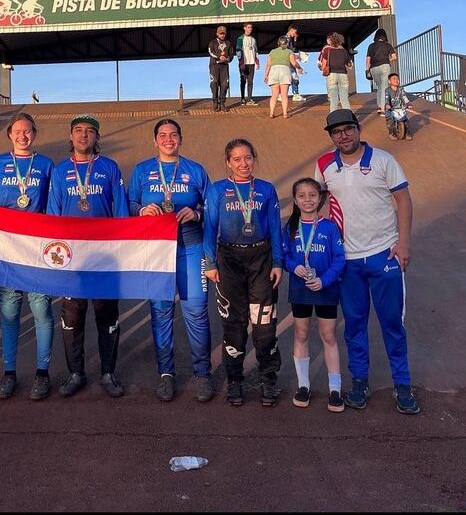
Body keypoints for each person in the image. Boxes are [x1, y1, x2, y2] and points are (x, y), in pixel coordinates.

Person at [315, 109, 419, 414]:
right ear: (331, 137)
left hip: (383, 255)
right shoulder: (324, 165)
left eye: (348, 129)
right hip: (346, 261)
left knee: (392, 325)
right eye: (337, 132)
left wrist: (404, 243)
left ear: (358, 130)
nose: (343, 136)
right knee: (355, 325)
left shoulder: (383, 160)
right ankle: (359, 381)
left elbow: (404, 201)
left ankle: (402, 385)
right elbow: (317, 202)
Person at [128, 119, 213, 403]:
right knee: (161, 310)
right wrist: (141, 210)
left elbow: (210, 206)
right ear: (155, 141)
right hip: (156, 252)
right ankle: (166, 374)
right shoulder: (141, 170)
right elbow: (128, 204)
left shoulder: (195, 170)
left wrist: (196, 213)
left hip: (191, 247)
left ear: (180, 139)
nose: (168, 139)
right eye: (162, 135)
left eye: (173, 135)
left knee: (196, 310)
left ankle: (203, 373)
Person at [47, 114, 128, 398]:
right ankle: (76, 372)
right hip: (72, 258)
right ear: (71, 137)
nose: (83, 136)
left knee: (107, 315)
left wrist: (121, 250)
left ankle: (108, 372)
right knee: (73, 317)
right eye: (78, 131)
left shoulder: (109, 168)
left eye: (89, 131)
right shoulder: (59, 172)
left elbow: (121, 212)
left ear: (96, 138)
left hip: (105, 256)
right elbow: (53, 217)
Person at [203, 139, 283, 407]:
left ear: (254, 159)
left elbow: (275, 228)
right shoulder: (217, 190)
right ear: (228, 162)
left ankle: (268, 380)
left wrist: (278, 262)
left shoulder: (266, 190)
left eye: (248, 158)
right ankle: (235, 380)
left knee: (264, 325)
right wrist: (211, 263)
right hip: (229, 260)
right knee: (233, 324)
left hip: (261, 258)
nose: (243, 164)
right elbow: (209, 229)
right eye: (236, 159)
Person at [0, 112, 55, 400]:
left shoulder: (46, 164)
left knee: (40, 308)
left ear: (34, 134)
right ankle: (9, 372)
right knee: (10, 309)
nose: (22, 135)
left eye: (27, 131)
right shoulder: (0, 163)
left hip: (37, 247)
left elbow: (52, 208)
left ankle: (42, 373)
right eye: (17, 131)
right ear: (10, 135)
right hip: (8, 247)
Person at [282, 178, 346, 412]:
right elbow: (284, 255)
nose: (307, 200)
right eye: (302, 195)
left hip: (325, 289)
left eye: (312, 195)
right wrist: (293, 267)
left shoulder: (329, 227)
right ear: (295, 200)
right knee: (301, 333)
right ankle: (303, 386)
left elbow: (340, 259)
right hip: (300, 290)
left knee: (328, 335)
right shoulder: (290, 228)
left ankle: (335, 388)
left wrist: (324, 280)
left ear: (320, 199)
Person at [264, 36, 303, 119]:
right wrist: (300, 68)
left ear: (278, 43)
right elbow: (294, 63)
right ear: (287, 43)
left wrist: (266, 75)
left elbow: (268, 65)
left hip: (273, 71)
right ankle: (285, 114)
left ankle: (271, 113)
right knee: (284, 95)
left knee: (274, 95)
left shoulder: (272, 52)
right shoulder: (289, 51)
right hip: (284, 71)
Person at [319, 32, 354, 113]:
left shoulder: (327, 50)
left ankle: (334, 119)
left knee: (333, 99)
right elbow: (350, 66)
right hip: (343, 75)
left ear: (330, 41)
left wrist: (322, 68)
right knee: (344, 99)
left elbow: (323, 66)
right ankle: (349, 118)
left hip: (331, 75)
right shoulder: (344, 51)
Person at [366, 29, 398, 115]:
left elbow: (368, 59)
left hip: (374, 68)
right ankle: (383, 108)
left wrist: (367, 70)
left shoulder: (371, 46)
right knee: (384, 87)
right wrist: (388, 60)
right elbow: (394, 57)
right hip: (385, 66)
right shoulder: (388, 46)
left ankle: (379, 106)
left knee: (380, 87)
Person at [208, 25, 236, 112]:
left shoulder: (228, 43)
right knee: (214, 83)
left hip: (224, 66)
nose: (222, 35)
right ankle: (215, 101)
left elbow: (232, 54)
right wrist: (219, 57)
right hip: (214, 66)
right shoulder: (212, 43)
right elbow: (210, 52)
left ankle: (222, 103)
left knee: (225, 85)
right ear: (217, 34)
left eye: (223, 33)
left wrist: (227, 59)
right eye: (220, 33)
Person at [235, 23, 260, 106]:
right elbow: (238, 50)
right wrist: (241, 62)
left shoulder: (253, 39)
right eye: (248, 27)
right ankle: (242, 98)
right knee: (243, 81)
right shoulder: (240, 39)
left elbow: (255, 51)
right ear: (244, 28)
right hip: (244, 63)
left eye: (251, 27)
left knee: (250, 81)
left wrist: (257, 61)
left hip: (251, 63)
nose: (250, 29)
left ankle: (249, 99)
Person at [385, 73, 413, 140]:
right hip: (391, 109)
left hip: (400, 108)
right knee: (390, 122)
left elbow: (404, 97)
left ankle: (407, 133)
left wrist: (408, 103)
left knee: (406, 121)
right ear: (389, 81)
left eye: (397, 79)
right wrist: (387, 104)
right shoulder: (387, 90)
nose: (396, 80)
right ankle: (391, 134)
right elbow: (387, 98)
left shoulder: (401, 89)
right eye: (394, 79)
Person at [284, 25, 305, 102]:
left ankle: (292, 93)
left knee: (291, 78)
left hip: (289, 61)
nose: (295, 34)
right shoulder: (286, 39)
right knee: (294, 77)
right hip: (288, 62)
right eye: (295, 32)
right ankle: (295, 94)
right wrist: (295, 56)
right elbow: (287, 51)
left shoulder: (289, 39)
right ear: (291, 30)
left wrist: (295, 39)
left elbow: (292, 49)